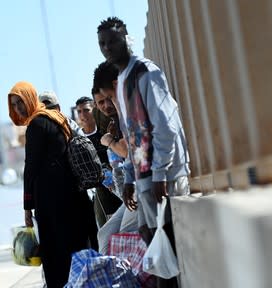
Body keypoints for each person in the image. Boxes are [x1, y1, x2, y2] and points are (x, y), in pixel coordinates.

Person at [97, 17, 190, 287]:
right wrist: (128, 178)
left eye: (112, 41)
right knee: (152, 242)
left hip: (164, 176)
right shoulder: (123, 79)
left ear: (126, 38)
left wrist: (160, 173)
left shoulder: (146, 73)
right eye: (102, 43)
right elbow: (133, 135)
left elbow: (166, 127)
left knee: (166, 246)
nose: (107, 48)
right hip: (144, 179)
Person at [8, 81, 93, 287]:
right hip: (73, 196)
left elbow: (31, 168)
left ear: (31, 97)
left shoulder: (37, 124)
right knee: (76, 253)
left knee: (56, 259)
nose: (19, 108)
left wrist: (27, 207)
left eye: (21, 101)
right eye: (14, 104)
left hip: (53, 202)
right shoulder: (57, 117)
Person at [39, 91, 99, 251]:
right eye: (43, 109)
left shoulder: (68, 125)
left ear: (58, 108)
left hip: (85, 193)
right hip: (65, 198)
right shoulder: (42, 131)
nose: (47, 113)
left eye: (50, 108)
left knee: (94, 238)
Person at [91, 63, 139, 254]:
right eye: (101, 102)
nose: (107, 105)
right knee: (104, 234)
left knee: (125, 235)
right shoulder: (114, 120)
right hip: (130, 187)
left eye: (108, 98)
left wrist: (109, 141)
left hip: (146, 184)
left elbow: (129, 152)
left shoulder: (130, 108)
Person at [75, 96, 122, 228]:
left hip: (118, 184)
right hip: (99, 191)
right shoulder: (78, 139)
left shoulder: (105, 132)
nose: (83, 115)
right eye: (79, 111)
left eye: (86, 110)